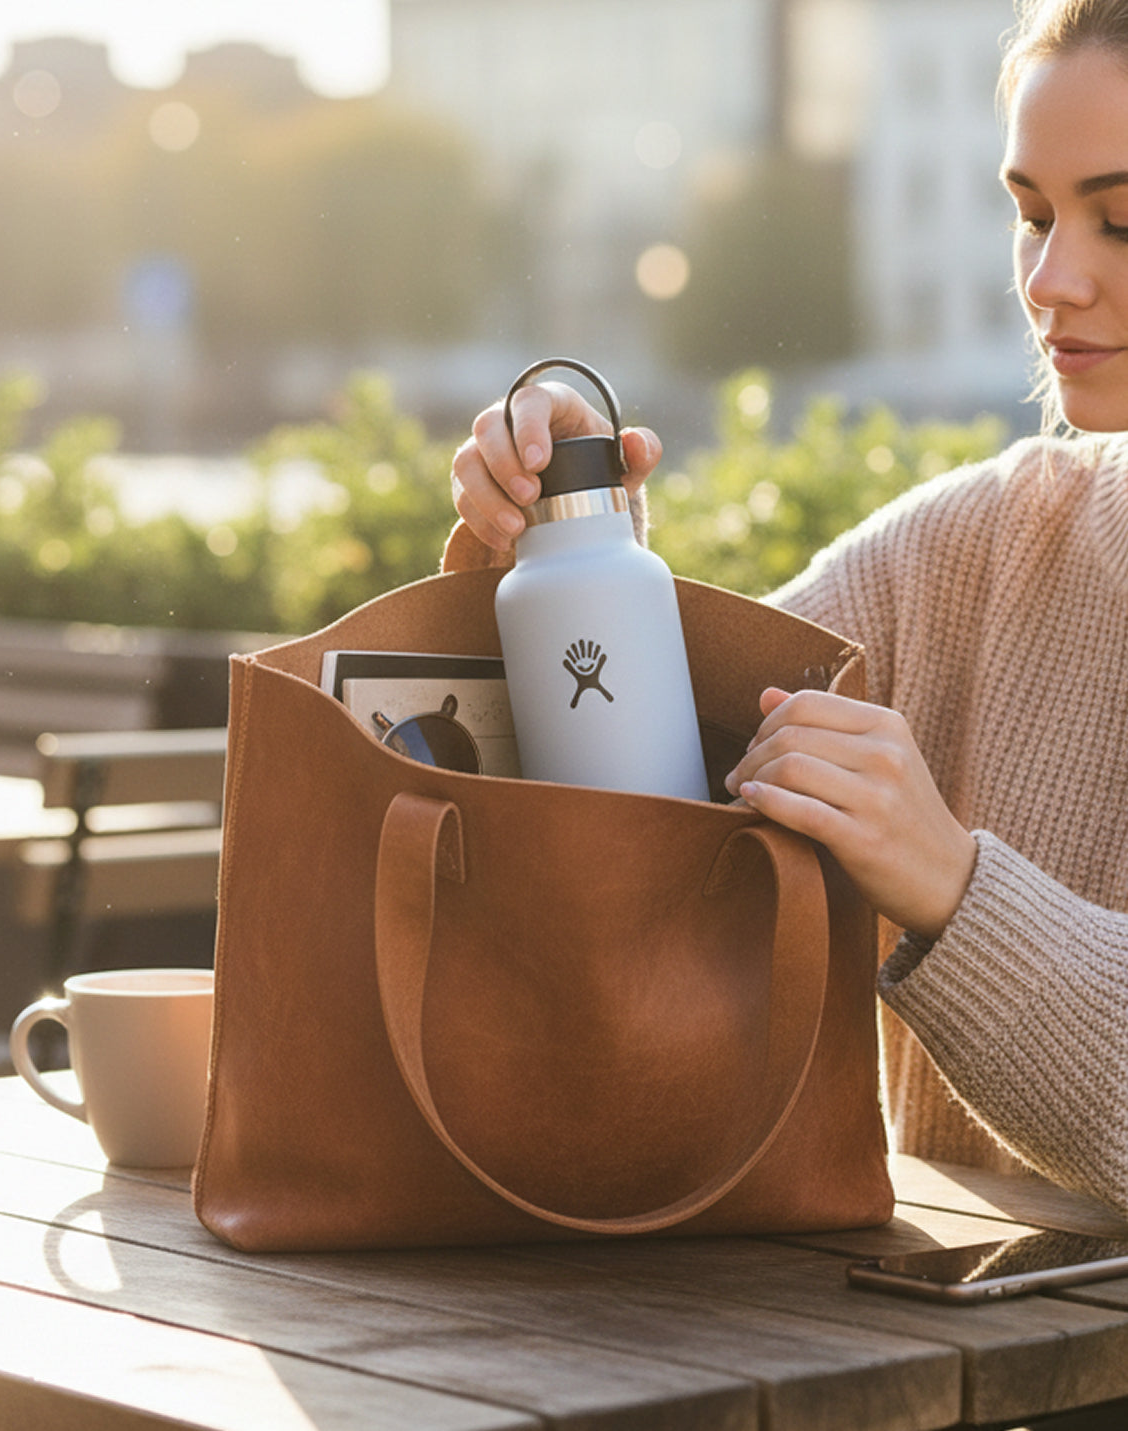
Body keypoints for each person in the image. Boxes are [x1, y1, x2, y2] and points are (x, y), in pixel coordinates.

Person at [447, 0, 1128, 1222]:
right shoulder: (975, 545)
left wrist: (949, 886)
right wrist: (557, 552)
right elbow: (650, 817)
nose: (1047, 279)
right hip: (900, 1326)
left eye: (1118, 220)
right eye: (1031, 214)